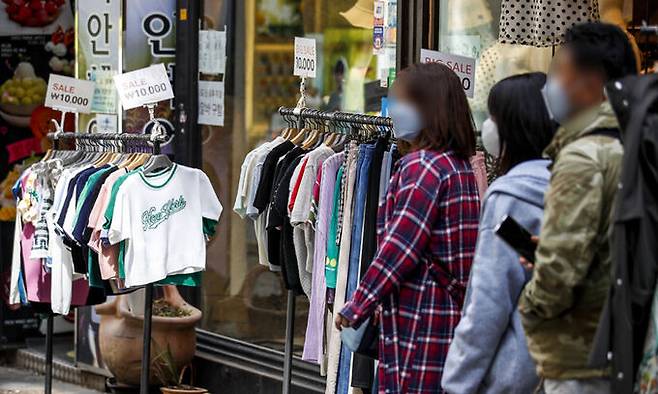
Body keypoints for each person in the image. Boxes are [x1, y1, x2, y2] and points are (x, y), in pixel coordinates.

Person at [335, 62, 481, 393]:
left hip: (418, 315)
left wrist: (358, 303)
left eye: (402, 102)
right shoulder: (458, 167)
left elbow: (399, 248)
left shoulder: (423, 167)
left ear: (427, 108)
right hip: (449, 313)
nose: (394, 110)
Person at [517, 22, 638, 394]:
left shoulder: (584, 157)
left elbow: (559, 275)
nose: (551, 85)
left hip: (583, 356)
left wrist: (530, 308)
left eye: (559, 72)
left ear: (590, 83)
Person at [441, 72, 556, 394]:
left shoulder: (510, 198)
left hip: (514, 375)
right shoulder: (578, 184)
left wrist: (457, 381)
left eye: (493, 116)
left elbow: (489, 300)